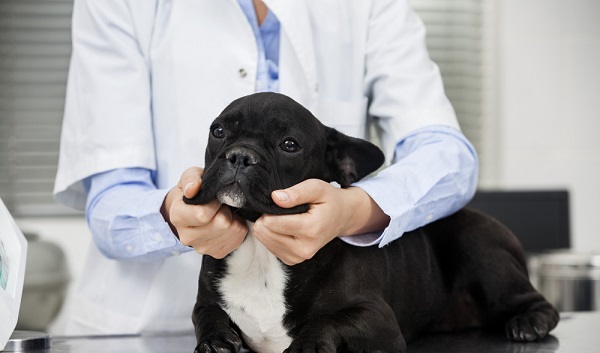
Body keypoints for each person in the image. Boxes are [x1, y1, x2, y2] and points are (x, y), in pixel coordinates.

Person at [54, 0, 478, 335]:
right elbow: (109, 202)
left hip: (315, 330)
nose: (242, 157)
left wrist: (354, 211)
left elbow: (449, 159)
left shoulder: (368, 6)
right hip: (145, 332)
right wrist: (170, 216)